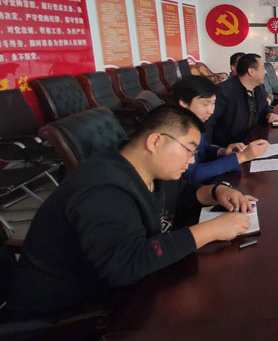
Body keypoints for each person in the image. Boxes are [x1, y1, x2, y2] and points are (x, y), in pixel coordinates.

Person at [4, 106, 256, 318]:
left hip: (135, 287)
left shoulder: (146, 166)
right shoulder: (102, 190)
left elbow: (180, 193)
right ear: (155, 141)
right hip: (66, 315)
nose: (191, 160)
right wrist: (211, 230)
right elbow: (126, 266)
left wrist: (215, 191)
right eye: (189, 150)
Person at [173, 76, 270, 183]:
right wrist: (241, 157)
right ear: (184, 103)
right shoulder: (175, 132)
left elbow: (202, 148)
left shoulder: (193, 122)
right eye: (205, 104)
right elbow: (192, 175)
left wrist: (222, 151)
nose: (211, 110)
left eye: (213, 103)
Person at [205, 53, 278, 146]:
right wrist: (210, 149)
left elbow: (264, 106)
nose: (265, 72)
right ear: (251, 71)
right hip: (230, 146)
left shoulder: (259, 87)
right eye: (263, 68)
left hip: (253, 140)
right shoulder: (224, 91)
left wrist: (270, 113)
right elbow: (209, 121)